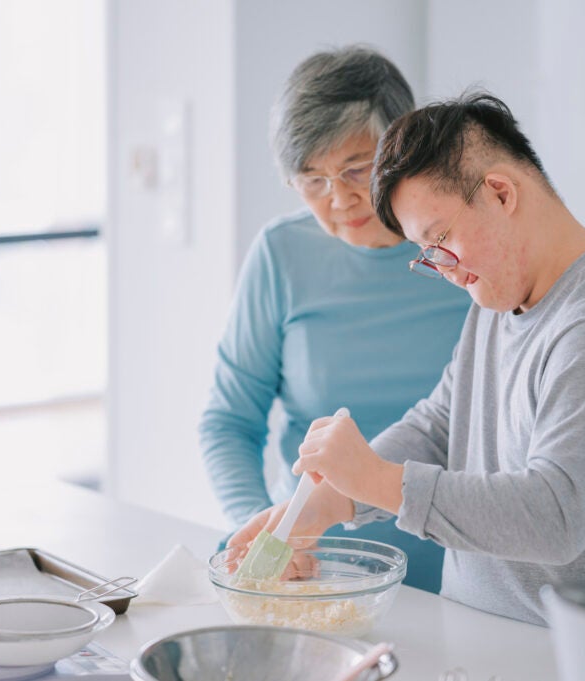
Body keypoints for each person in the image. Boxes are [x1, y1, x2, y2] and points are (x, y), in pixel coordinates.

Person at [229, 92, 585, 625]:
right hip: (485, 637)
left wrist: (377, 480)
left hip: (581, 659)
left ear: (499, 192)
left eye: (440, 238)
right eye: (427, 252)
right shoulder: (499, 294)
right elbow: (441, 424)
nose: (442, 267)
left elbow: (555, 516)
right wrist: (331, 502)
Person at [199, 46, 470, 593]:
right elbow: (229, 422)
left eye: (354, 169)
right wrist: (262, 529)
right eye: (312, 180)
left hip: (459, 570)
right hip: (315, 567)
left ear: (403, 145)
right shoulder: (282, 253)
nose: (339, 198)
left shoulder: (465, 251)